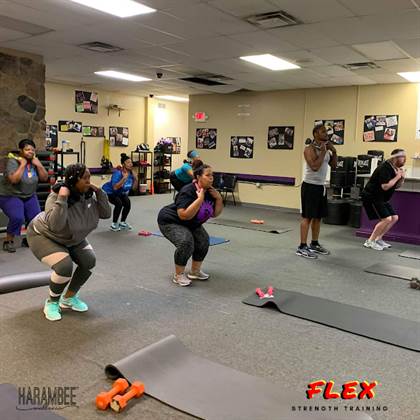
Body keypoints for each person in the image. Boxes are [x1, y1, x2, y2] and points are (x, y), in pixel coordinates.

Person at [27, 163, 111, 321]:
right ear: (74, 180)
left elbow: (106, 214)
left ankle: (68, 298)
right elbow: (56, 226)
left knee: (89, 261)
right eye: (85, 178)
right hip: (44, 236)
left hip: (73, 238)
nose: (89, 181)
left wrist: (99, 192)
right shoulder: (56, 197)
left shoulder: (89, 196)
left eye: (89, 177)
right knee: (64, 267)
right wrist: (63, 198)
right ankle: (52, 302)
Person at [158, 160, 224, 286]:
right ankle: (178, 275)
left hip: (191, 222)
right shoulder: (188, 191)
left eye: (212, 175)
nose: (211, 178)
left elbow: (215, 214)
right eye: (208, 175)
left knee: (203, 240)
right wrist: (199, 199)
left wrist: (219, 198)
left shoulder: (211, 192)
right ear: (198, 177)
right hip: (170, 221)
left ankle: (195, 272)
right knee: (186, 242)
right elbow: (183, 215)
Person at [296, 125, 337, 259]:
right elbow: (314, 167)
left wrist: (334, 151)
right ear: (315, 134)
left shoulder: (327, 150)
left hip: (321, 187)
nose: (326, 133)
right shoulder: (309, 149)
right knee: (307, 217)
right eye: (323, 131)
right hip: (310, 186)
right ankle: (302, 246)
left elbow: (334, 166)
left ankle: (314, 243)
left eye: (326, 131)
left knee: (318, 217)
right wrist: (324, 151)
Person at [0, 139, 48, 253]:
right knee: (17, 217)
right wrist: (22, 165)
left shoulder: (34, 162)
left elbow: (44, 178)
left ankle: (28, 239)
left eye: (32, 150)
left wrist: (39, 165)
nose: (30, 152)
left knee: (36, 218)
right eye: (27, 149)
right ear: (21, 150)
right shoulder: (13, 162)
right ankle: (8, 241)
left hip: (29, 194)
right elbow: (14, 180)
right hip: (10, 195)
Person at [361, 149, 406, 251]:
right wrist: (397, 177)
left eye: (404, 157)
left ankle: (378, 239)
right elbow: (385, 186)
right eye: (402, 157)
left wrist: (402, 178)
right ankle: (370, 241)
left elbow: (396, 186)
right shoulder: (384, 168)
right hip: (372, 196)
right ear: (395, 158)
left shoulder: (396, 168)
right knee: (387, 219)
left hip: (382, 198)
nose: (404, 159)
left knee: (394, 218)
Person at [102, 153, 137, 231]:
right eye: (128, 162)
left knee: (127, 203)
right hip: (110, 192)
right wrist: (124, 178)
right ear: (123, 164)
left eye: (131, 162)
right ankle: (114, 224)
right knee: (119, 203)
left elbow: (133, 189)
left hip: (120, 192)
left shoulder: (131, 174)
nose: (130, 164)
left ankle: (122, 222)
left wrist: (136, 179)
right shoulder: (117, 173)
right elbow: (115, 187)